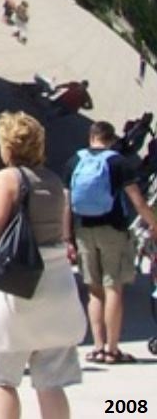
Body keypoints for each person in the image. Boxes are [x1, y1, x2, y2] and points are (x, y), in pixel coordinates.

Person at [0, 112, 86, 419]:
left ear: (7, 146)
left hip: (18, 287)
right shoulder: (54, 181)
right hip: (58, 285)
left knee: (0, 377)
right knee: (51, 382)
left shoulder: (7, 178)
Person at [64, 121, 157, 365]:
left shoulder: (74, 161)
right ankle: (113, 350)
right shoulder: (118, 162)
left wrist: (66, 238)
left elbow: (66, 203)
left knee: (94, 290)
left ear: (91, 136)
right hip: (113, 229)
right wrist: (153, 223)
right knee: (113, 287)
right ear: (111, 139)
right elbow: (137, 201)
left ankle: (97, 346)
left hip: (83, 230)